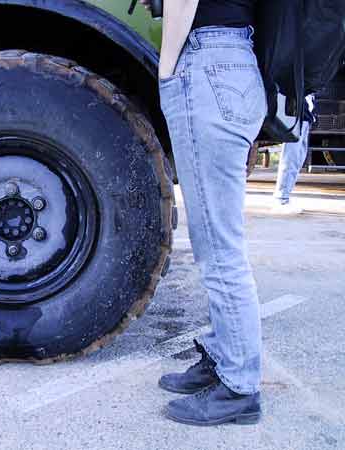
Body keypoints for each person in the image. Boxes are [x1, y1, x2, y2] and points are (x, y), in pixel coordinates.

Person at [141, 0, 266, 425]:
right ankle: (222, 355)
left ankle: (239, 388)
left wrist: (167, 69)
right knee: (217, 239)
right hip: (235, 60)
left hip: (206, 60)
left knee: (219, 248)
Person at [272, 95, 315, 214]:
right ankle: (281, 199)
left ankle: (284, 197)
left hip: (305, 115)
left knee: (297, 157)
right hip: (298, 114)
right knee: (291, 157)